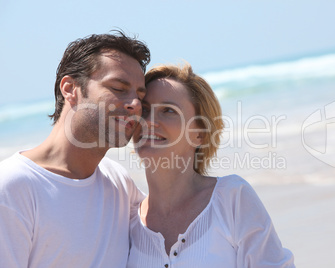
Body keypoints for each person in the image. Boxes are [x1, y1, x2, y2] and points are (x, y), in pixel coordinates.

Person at [0, 31, 150, 267]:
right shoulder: (12, 187)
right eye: (119, 89)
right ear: (70, 89)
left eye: (140, 95)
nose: (135, 104)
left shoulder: (119, 183)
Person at [127, 63, 295, 267]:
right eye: (144, 110)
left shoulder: (231, 199)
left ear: (200, 135)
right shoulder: (128, 220)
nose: (149, 121)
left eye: (168, 111)